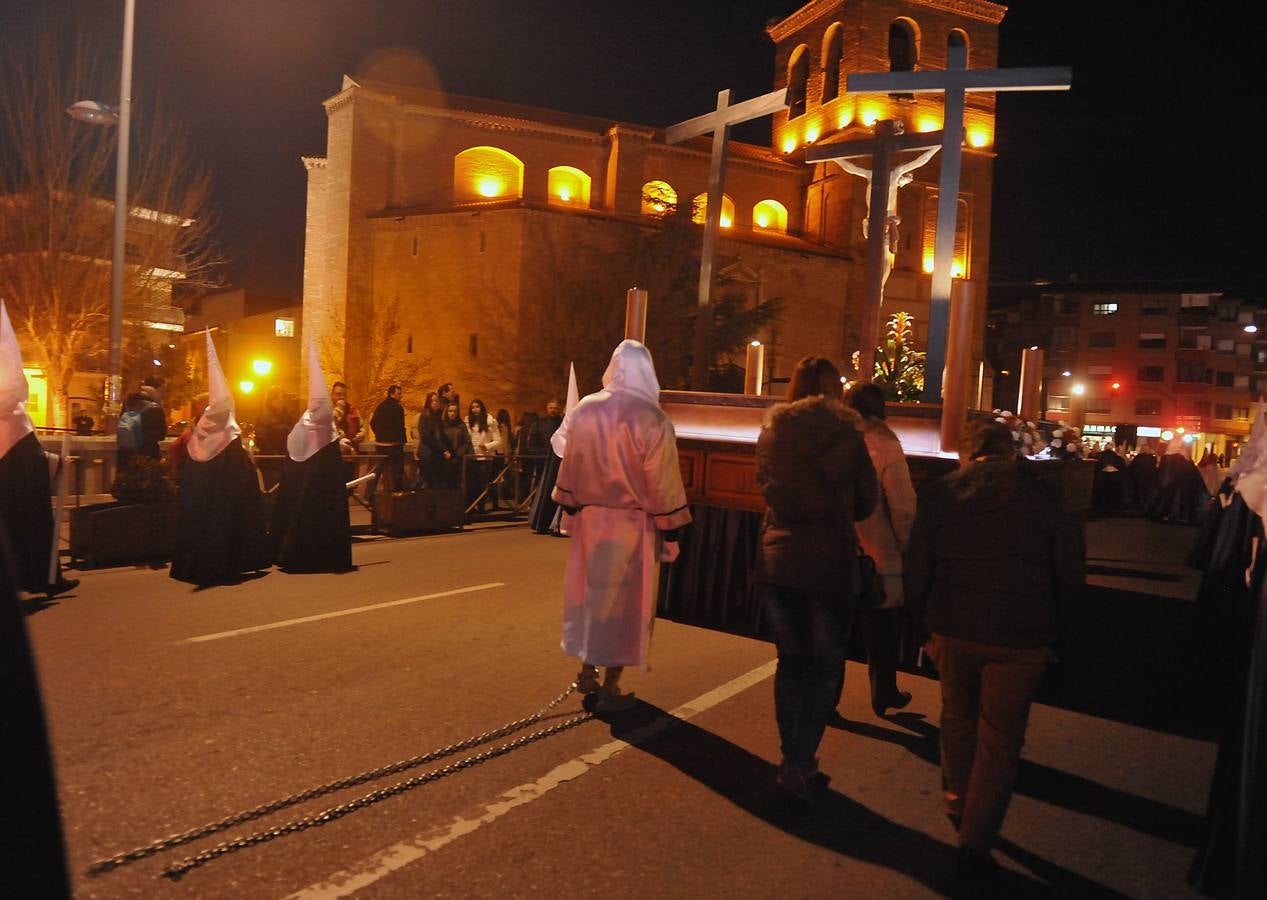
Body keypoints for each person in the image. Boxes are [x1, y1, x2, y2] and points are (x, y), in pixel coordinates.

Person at [904, 418, 1081, 885]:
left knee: (957, 718)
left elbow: (918, 563)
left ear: (966, 453)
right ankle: (975, 839)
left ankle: (958, 802)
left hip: (952, 624)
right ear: (1009, 452)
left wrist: (921, 622)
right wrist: (1063, 631)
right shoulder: (1043, 495)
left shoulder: (941, 493)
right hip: (1021, 633)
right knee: (1000, 737)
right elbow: (1067, 568)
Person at [752, 355, 877, 802]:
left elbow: (763, 485)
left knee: (791, 662)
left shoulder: (772, 432)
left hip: (779, 560)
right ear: (834, 390)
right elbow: (866, 502)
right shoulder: (848, 434)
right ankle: (800, 761)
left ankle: (792, 756)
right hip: (830, 562)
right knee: (824, 667)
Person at [553, 340, 691, 713]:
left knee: (590, 600)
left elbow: (571, 465)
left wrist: (569, 506)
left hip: (592, 523)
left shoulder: (585, 410)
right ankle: (611, 685)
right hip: (632, 528)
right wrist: (671, 530)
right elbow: (662, 483)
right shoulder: (654, 420)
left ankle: (586, 670)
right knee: (623, 607)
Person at [832, 382, 917, 722]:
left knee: (835, 633)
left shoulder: (834, 440)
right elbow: (903, 507)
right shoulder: (885, 445)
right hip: (878, 552)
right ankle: (884, 691)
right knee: (882, 629)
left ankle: (828, 699)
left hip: (838, 549)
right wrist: (906, 546)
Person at [170, 333, 269, 586]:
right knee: (221, 527)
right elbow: (241, 470)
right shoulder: (228, 432)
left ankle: (191, 563)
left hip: (199, 497)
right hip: (224, 498)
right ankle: (223, 563)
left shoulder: (200, 430)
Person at [0, 301, 77, 597]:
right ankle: (45, 578)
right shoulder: (16, 417)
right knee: (32, 523)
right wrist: (57, 462)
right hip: (23, 501)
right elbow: (31, 473)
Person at [271, 344, 353, 573]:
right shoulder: (325, 426)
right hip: (320, 491)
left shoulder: (303, 424)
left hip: (300, 486)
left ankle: (287, 550)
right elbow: (330, 458)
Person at [465, 398, 502, 512]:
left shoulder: (490, 422)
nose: (475, 409)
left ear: (482, 408)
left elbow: (498, 440)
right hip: (471, 456)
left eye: (477, 407)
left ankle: (481, 507)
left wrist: (487, 446)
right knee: (471, 483)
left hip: (485, 457)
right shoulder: (467, 422)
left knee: (482, 484)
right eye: (472, 407)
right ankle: (471, 507)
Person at [369, 385, 407, 495]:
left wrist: (379, 435)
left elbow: (372, 423)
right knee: (397, 471)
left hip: (380, 444)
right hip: (394, 445)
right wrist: (402, 440)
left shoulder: (380, 407)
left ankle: (369, 494)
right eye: (399, 394)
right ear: (392, 394)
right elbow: (400, 426)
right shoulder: (398, 408)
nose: (401, 396)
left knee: (377, 470)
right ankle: (397, 492)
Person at [436, 402, 472, 490]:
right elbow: (438, 440)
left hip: (457, 460)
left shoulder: (462, 425)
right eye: (450, 411)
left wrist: (458, 454)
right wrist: (444, 451)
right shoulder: (442, 425)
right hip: (443, 458)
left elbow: (466, 441)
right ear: (446, 412)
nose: (452, 413)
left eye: (455, 411)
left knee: (456, 484)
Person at [414, 391, 446, 489]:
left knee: (428, 477)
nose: (435, 403)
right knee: (425, 476)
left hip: (432, 452)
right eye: (433, 401)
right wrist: (442, 449)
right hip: (428, 452)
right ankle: (410, 492)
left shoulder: (436, 416)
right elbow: (426, 436)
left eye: (436, 401)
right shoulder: (426, 415)